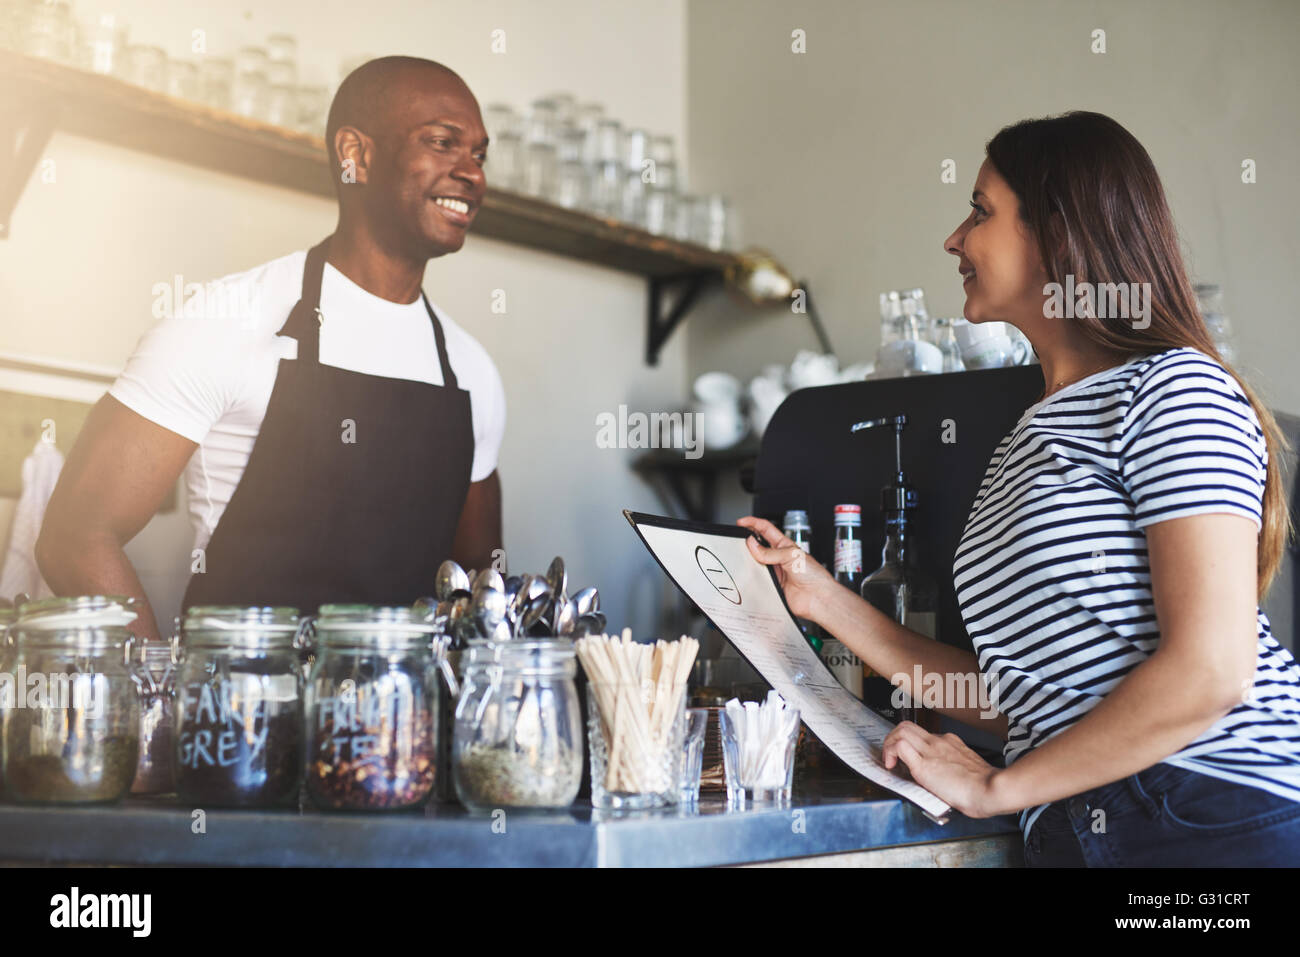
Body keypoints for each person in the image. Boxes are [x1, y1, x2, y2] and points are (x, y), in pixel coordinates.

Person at [741, 111, 1300, 866]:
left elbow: (1212, 669)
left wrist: (1001, 788)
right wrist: (819, 596)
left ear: (1061, 233)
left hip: (1210, 806)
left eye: (980, 211)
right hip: (1088, 818)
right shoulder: (1027, 436)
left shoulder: (1174, 388)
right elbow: (1028, 698)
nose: (954, 238)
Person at [36, 57, 505, 641]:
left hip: (402, 726)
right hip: (241, 720)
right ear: (355, 154)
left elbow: (481, 587)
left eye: (479, 155)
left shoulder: (471, 373)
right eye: (443, 143)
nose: (472, 174)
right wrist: (165, 698)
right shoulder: (222, 321)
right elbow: (75, 535)